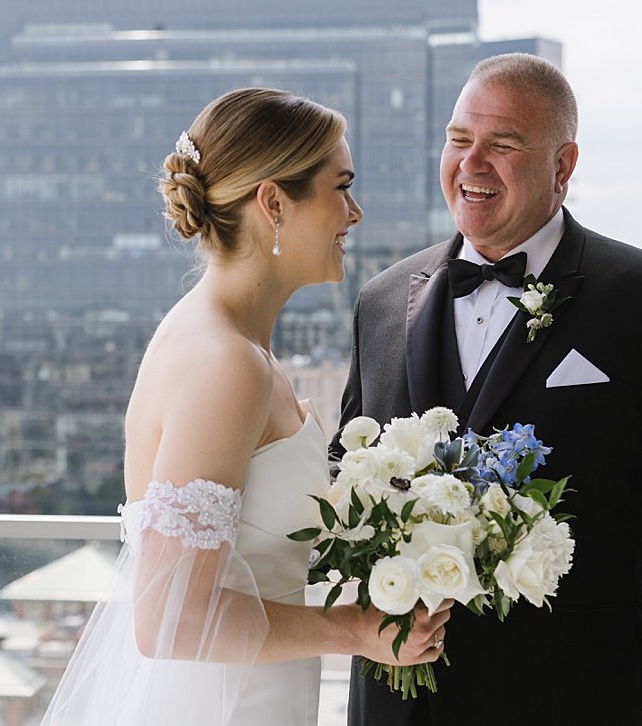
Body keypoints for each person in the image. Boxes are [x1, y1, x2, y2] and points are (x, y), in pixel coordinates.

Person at [338, 53, 642, 726]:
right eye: (459, 139)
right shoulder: (381, 301)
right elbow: (349, 491)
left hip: (580, 700)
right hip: (396, 707)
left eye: (502, 145)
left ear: (563, 167)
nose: (472, 164)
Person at [39, 88, 449, 726]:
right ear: (274, 202)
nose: (355, 211)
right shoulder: (223, 364)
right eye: (340, 187)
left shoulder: (237, 345)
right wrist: (355, 631)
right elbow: (170, 622)